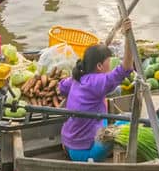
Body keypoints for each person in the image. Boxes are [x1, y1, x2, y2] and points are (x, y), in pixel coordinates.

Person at [58, 23, 136, 162]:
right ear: (99, 66)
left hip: (68, 144)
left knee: (113, 93)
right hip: (86, 153)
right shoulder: (97, 82)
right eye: (108, 61)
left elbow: (62, 87)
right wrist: (129, 41)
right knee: (127, 123)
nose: (110, 64)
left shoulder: (77, 77)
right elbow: (126, 68)